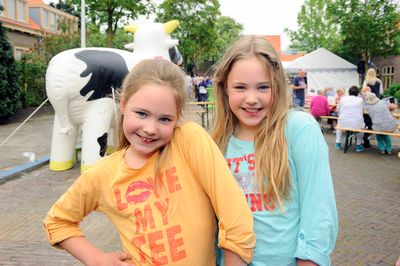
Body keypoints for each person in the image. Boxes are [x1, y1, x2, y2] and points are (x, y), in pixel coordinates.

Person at [43, 59, 255, 265]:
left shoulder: (188, 141)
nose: (151, 128)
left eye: (165, 119)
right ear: (124, 104)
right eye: (142, 113)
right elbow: (57, 221)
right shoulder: (102, 174)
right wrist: (97, 259)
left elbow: (234, 213)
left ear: (177, 117)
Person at [211, 36, 338, 266]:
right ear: (225, 89)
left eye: (263, 87)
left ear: (277, 86)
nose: (252, 99)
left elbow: (319, 212)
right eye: (240, 87)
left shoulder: (299, 129)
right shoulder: (215, 143)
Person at [335, 86, 365, 151]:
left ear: (349, 92)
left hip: (343, 122)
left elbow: (338, 109)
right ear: (358, 93)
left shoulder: (343, 99)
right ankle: (358, 145)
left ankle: (338, 143)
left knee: (339, 126)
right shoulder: (360, 100)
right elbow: (363, 110)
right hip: (356, 123)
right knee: (362, 128)